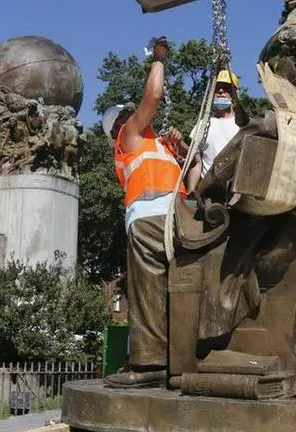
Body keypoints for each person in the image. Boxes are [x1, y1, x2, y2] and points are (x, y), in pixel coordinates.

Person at [101, 36, 188, 387]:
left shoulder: (159, 145)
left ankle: (172, 360)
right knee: (154, 289)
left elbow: (193, 173)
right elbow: (151, 98)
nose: (134, 116)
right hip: (152, 219)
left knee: (176, 290)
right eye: (127, 115)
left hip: (177, 216)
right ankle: (151, 361)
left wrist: (183, 150)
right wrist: (159, 59)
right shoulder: (129, 136)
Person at [186, 70, 241, 192]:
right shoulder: (203, 124)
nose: (221, 92)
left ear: (235, 94)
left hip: (235, 192)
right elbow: (196, 163)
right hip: (208, 191)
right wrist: (191, 192)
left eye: (226, 88)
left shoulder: (243, 126)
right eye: (217, 89)